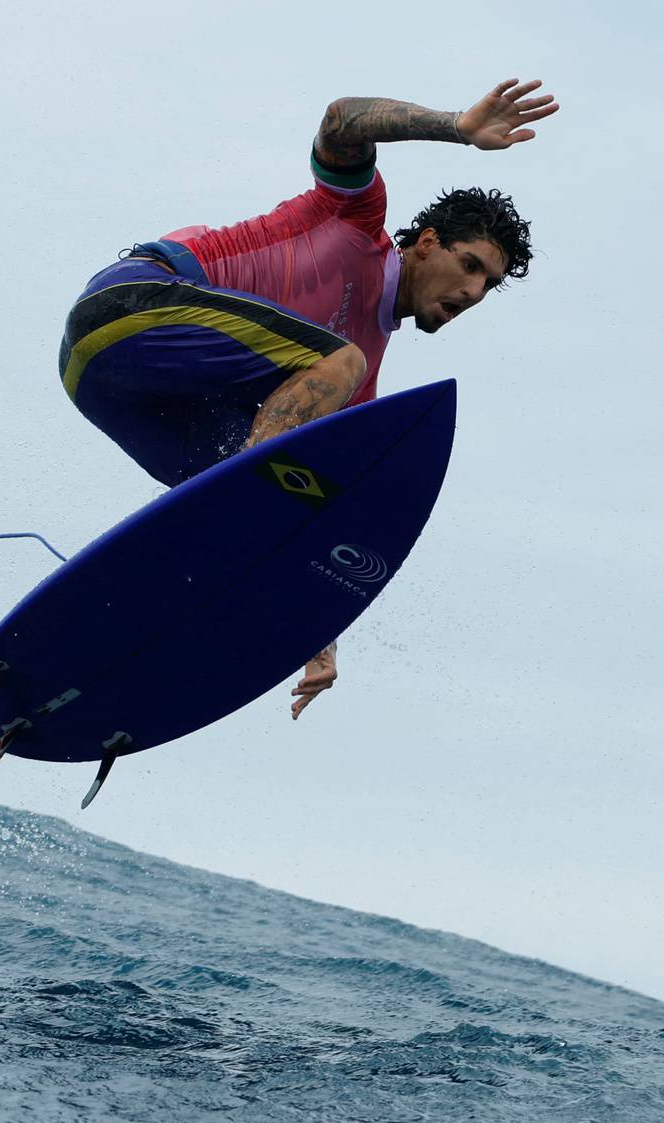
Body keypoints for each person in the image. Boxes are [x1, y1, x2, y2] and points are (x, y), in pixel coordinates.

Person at [59, 79, 557, 719]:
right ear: (427, 241)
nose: (475, 291)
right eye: (470, 265)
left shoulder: (348, 387)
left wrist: (315, 636)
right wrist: (456, 126)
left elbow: (314, 511)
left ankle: (123, 633)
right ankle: (238, 503)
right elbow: (342, 119)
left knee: (301, 486)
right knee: (315, 401)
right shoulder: (353, 223)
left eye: (489, 284)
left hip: (108, 390)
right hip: (127, 312)